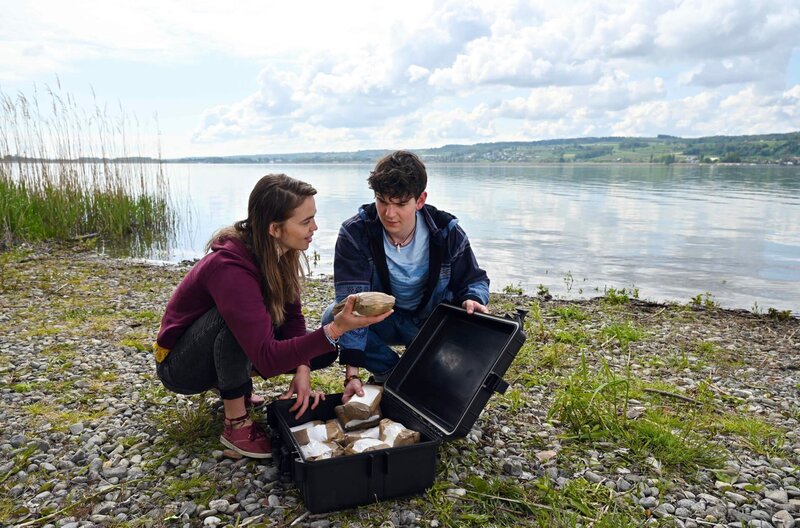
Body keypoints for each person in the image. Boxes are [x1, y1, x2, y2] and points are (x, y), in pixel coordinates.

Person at [154, 174, 392, 459]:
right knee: (233, 323)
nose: (314, 227)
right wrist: (336, 328)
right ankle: (236, 423)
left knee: (320, 353)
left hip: (216, 351)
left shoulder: (280, 251)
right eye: (305, 221)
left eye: (313, 218)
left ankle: (234, 383)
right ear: (275, 228)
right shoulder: (229, 267)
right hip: (182, 367)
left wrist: (303, 369)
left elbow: (292, 319)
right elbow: (267, 357)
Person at [322, 151, 490, 402]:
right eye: (382, 201)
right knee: (331, 315)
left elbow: (474, 280)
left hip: (430, 324)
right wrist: (352, 375)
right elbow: (350, 307)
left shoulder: (447, 231)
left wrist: (474, 299)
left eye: (400, 204)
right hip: (383, 321)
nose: (389, 214)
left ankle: (420, 369)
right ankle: (393, 373)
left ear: (420, 200)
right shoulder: (355, 232)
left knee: (470, 333)